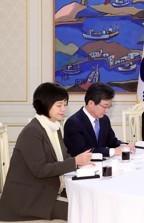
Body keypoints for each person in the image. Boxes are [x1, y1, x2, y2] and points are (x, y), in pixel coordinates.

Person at [0, 83, 93, 221]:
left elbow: (63, 157)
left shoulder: (54, 127)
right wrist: (75, 162)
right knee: (83, 212)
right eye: (59, 105)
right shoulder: (32, 131)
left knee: (89, 203)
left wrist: (81, 163)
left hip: (47, 191)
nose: (63, 109)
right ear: (45, 104)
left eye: (65, 104)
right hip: (30, 198)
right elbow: (40, 170)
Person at [64, 82, 135, 157]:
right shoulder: (74, 123)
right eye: (105, 106)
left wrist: (125, 146)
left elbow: (112, 141)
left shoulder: (104, 119)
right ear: (91, 103)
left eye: (109, 107)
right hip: (83, 167)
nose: (107, 111)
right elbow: (82, 151)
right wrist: (113, 151)